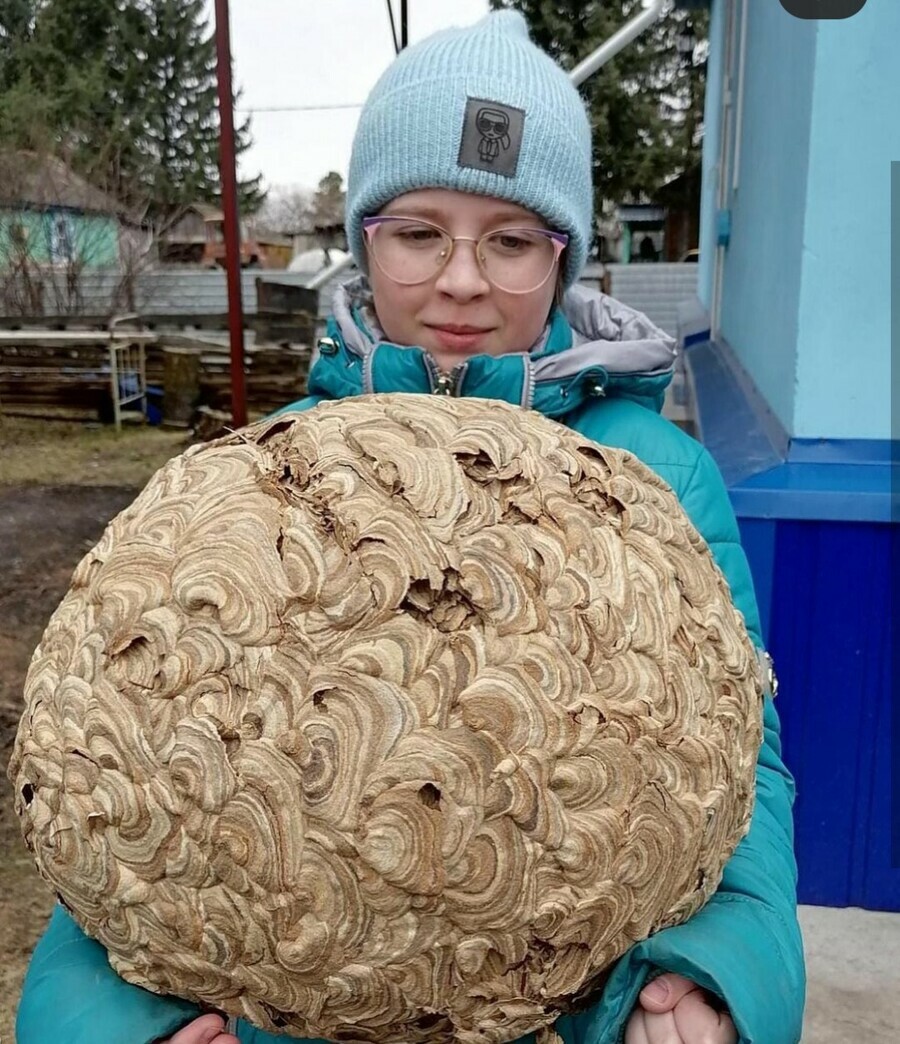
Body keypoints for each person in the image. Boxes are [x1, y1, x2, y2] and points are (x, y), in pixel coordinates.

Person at [15, 12, 805, 1044]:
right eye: (420, 232)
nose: (464, 278)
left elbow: (743, 764)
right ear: (365, 243)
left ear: (565, 261)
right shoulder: (258, 482)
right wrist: (104, 1024)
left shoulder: (658, 477)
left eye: (513, 240)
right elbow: (121, 779)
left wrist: (716, 977)